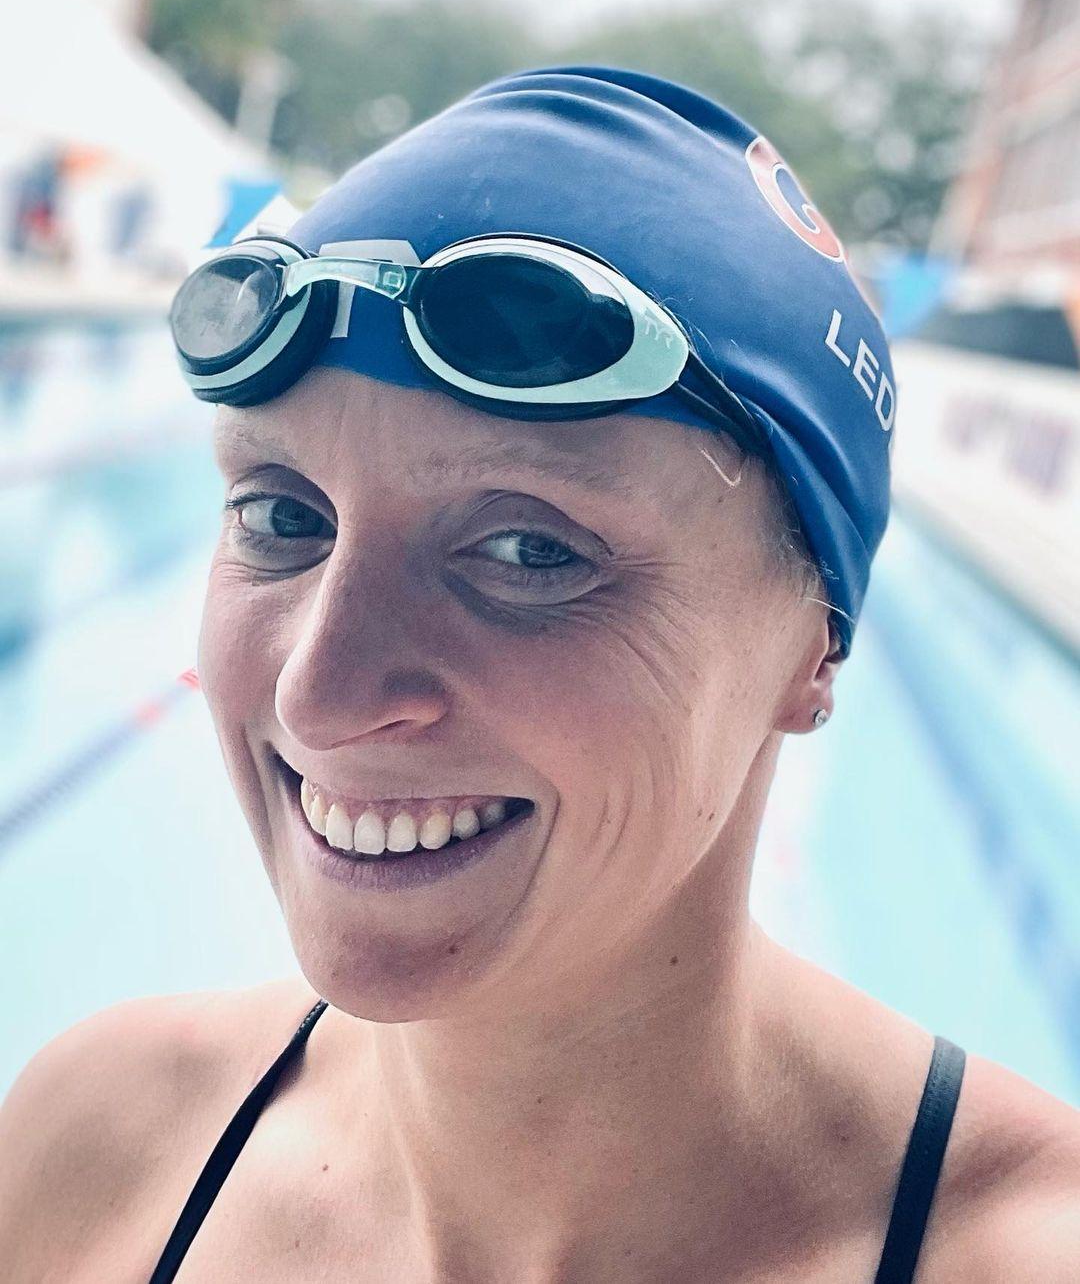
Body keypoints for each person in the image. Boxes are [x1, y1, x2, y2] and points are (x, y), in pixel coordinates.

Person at [1, 64, 1077, 1283]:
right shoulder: (98, 1147)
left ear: (813, 644)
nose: (319, 693)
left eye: (528, 550)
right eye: (281, 516)